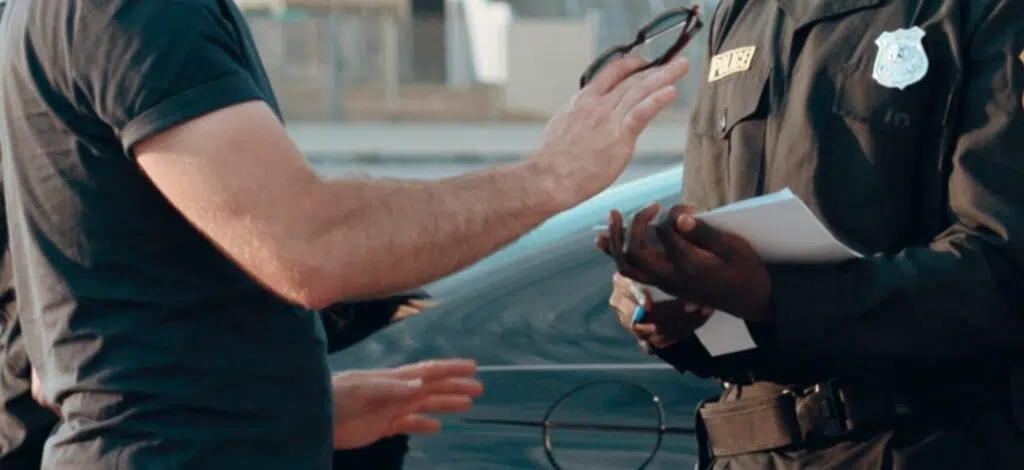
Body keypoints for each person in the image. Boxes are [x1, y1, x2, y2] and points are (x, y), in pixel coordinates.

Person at [0, 0, 691, 468]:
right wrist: (552, 177)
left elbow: (85, 327)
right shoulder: (133, 12)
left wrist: (293, 409)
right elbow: (308, 245)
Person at [599, 0, 1024, 468]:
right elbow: (710, 249)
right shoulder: (741, 14)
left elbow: (1003, 270)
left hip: (913, 444)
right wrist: (667, 308)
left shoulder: (981, 12)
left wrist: (774, 299)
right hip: (746, 449)